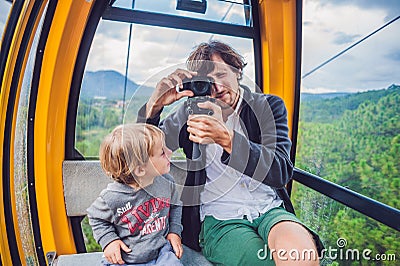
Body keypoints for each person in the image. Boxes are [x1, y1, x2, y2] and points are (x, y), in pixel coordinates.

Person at [137, 41, 323, 265]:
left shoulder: (268, 107)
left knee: (303, 258)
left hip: (270, 208)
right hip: (220, 217)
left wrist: (228, 140)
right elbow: (143, 153)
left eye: (221, 74)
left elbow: (281, 171)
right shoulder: (190, 113)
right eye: (206, 81)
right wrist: (154, 107)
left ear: (237, 72)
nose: (216, 86)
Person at [87, 123, 184, 265]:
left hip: (161, 254)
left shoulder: (166, 182)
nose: (170, 152)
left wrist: (174, 232)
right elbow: (96, 217)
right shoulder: (112, 197)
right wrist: (109, 241)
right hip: (127, 259)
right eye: (162, 152)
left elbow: (176, 205)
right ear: (140, 170)